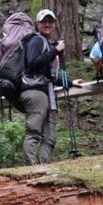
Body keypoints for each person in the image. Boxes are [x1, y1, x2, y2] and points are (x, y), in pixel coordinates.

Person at [19, 9, 73, 165]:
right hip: (35, 93)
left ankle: (43, 168)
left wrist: (70, 82)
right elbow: (32, 64)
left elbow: (49, 75)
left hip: (46, 92)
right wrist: (55, 51)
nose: (47, 24)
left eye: (50, 22)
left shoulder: (47, 44)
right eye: (44, 22)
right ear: (37, 24)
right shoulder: (36, 41)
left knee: (50, 137)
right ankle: (31, 168)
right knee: (34, 132)